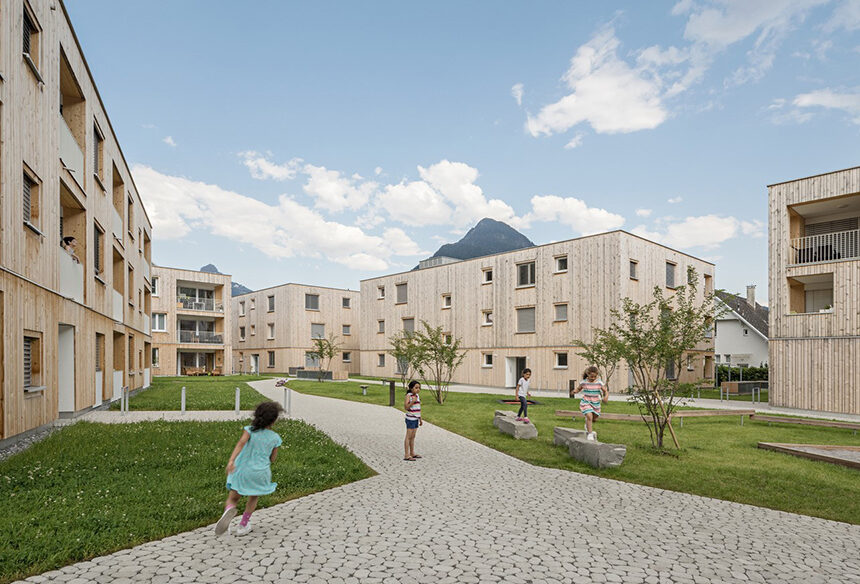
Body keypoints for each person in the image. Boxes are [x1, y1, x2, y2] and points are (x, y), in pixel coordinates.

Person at [215, 401, 283, 536]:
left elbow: (240, 444)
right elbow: (272, 459)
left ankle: (229, 509)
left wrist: (231, 461)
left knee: (233, 497)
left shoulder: (249, 431)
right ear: (273, 421)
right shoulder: (275, 438)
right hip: (260, 473)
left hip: (242, 470)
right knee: (253, 496)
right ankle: (243, 525)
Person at [576, 366, 609, 441]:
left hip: (596, 403)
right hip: (586, 401)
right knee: (589, 416)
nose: (593, 378)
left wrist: (606, 397)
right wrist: (575, 391)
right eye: (591, 376)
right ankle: (590, 434)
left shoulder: (599, 382)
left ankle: (587, 424)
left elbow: (605, 391)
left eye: (595, 376)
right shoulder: (584, 382)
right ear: (588, 374)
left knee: (594, 418)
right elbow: (579, 388)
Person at [403, 380, 422, 461]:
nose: (418, 389)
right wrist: (412, 401)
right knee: (408, 436)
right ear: (411, 388)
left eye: (419, 388)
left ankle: (412, 453)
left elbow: (418, 408)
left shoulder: (417, 395)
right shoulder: (408, 395)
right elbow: (406, 407)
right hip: (410, 418)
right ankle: (406, 455)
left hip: (416, 419)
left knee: (413, 437)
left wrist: (420, 419)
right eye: (416, 388)